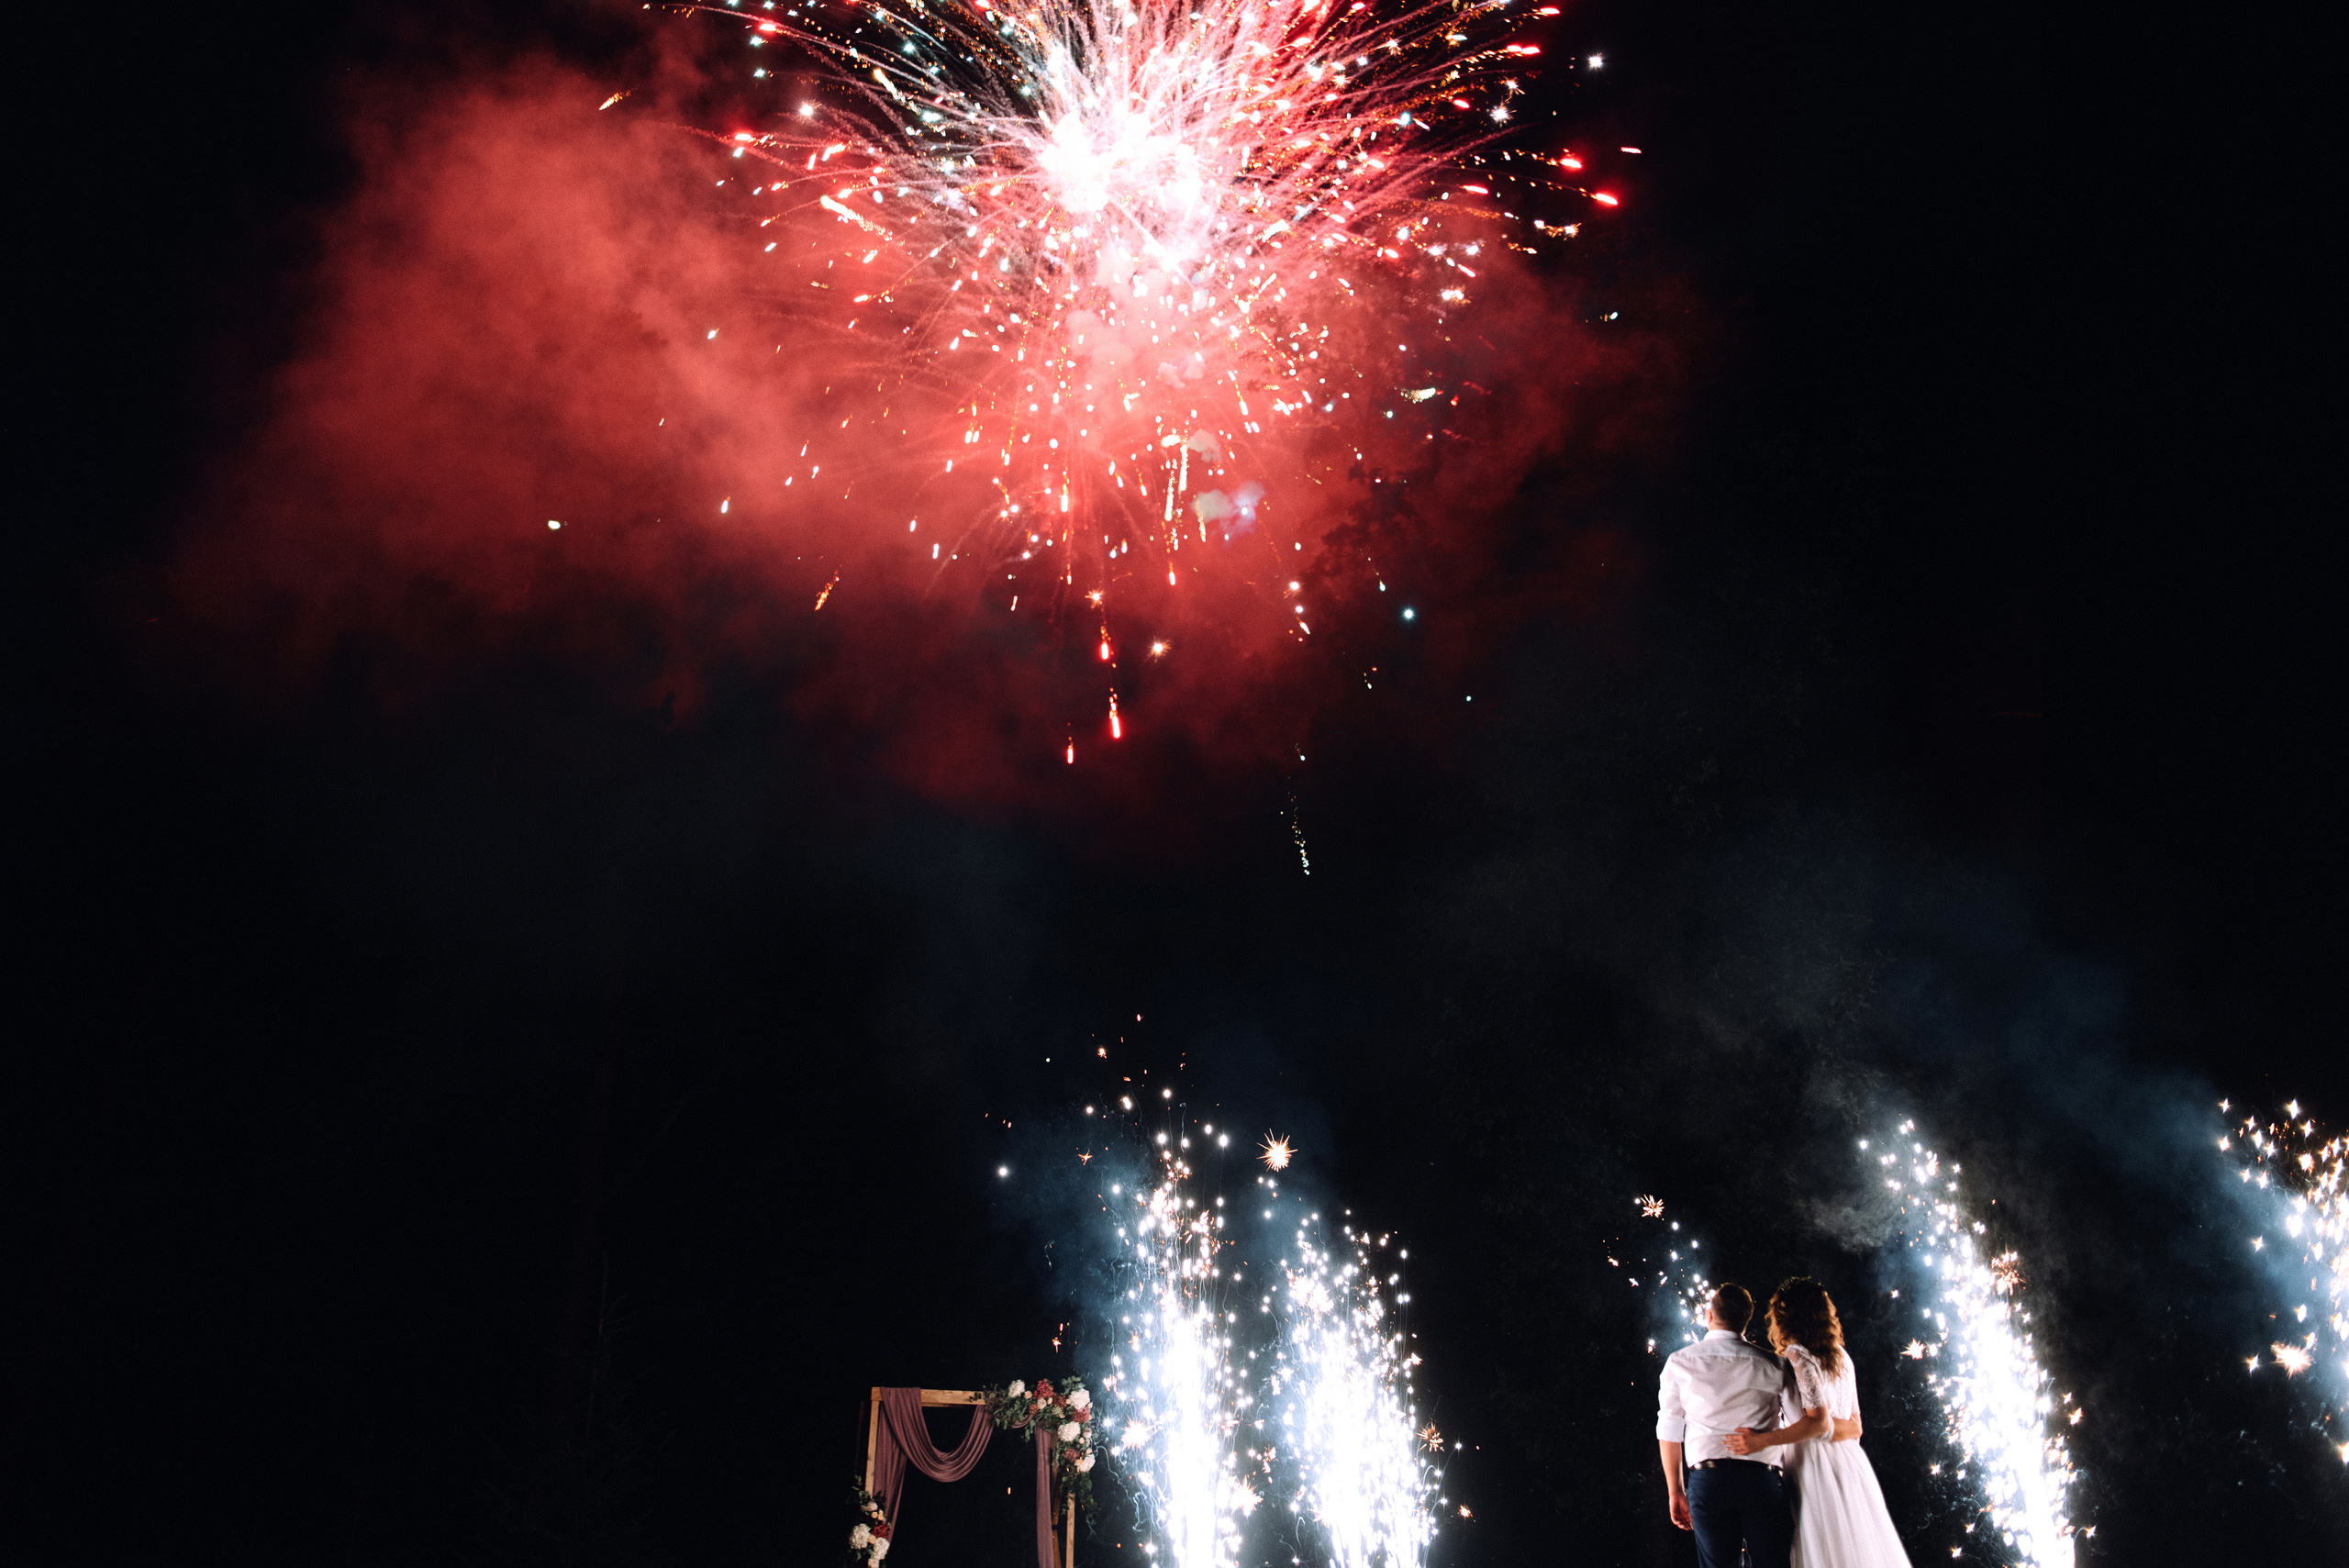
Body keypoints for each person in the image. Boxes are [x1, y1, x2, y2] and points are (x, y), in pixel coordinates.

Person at [1723, 1278, 1912, 1567]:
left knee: (1820, 1547)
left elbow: (1817, 1423)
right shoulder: (1843, 1358)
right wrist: (1829, 1433)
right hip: (1848, 1463)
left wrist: (1761, 1440)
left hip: (1811, 1464)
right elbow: (1855, 1427)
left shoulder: (1797, 1355)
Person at [1655, 1284, 1806, 1568]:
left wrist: (1675, 1491)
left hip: (1708, 1483)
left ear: (1709, 1315)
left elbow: (1670, 1431)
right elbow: (1800, 1426)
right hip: (1762, 1482)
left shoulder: (1679, 1363)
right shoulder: (1775, 1365)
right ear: (1746, 1320)